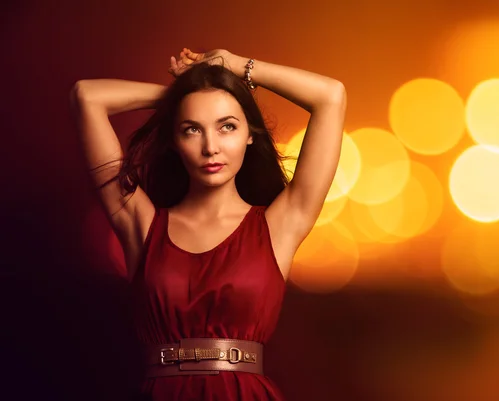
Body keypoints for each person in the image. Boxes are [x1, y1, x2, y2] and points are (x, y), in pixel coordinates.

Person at [70, 48, 346, 400]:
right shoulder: (141, 223)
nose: (211, 146)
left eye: (227, 126)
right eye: (191, 129)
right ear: (175, 139)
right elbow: (86, 96)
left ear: (250, 133)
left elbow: (330, 96)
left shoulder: (280, 223)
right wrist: (183, 95)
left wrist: (234, 68)